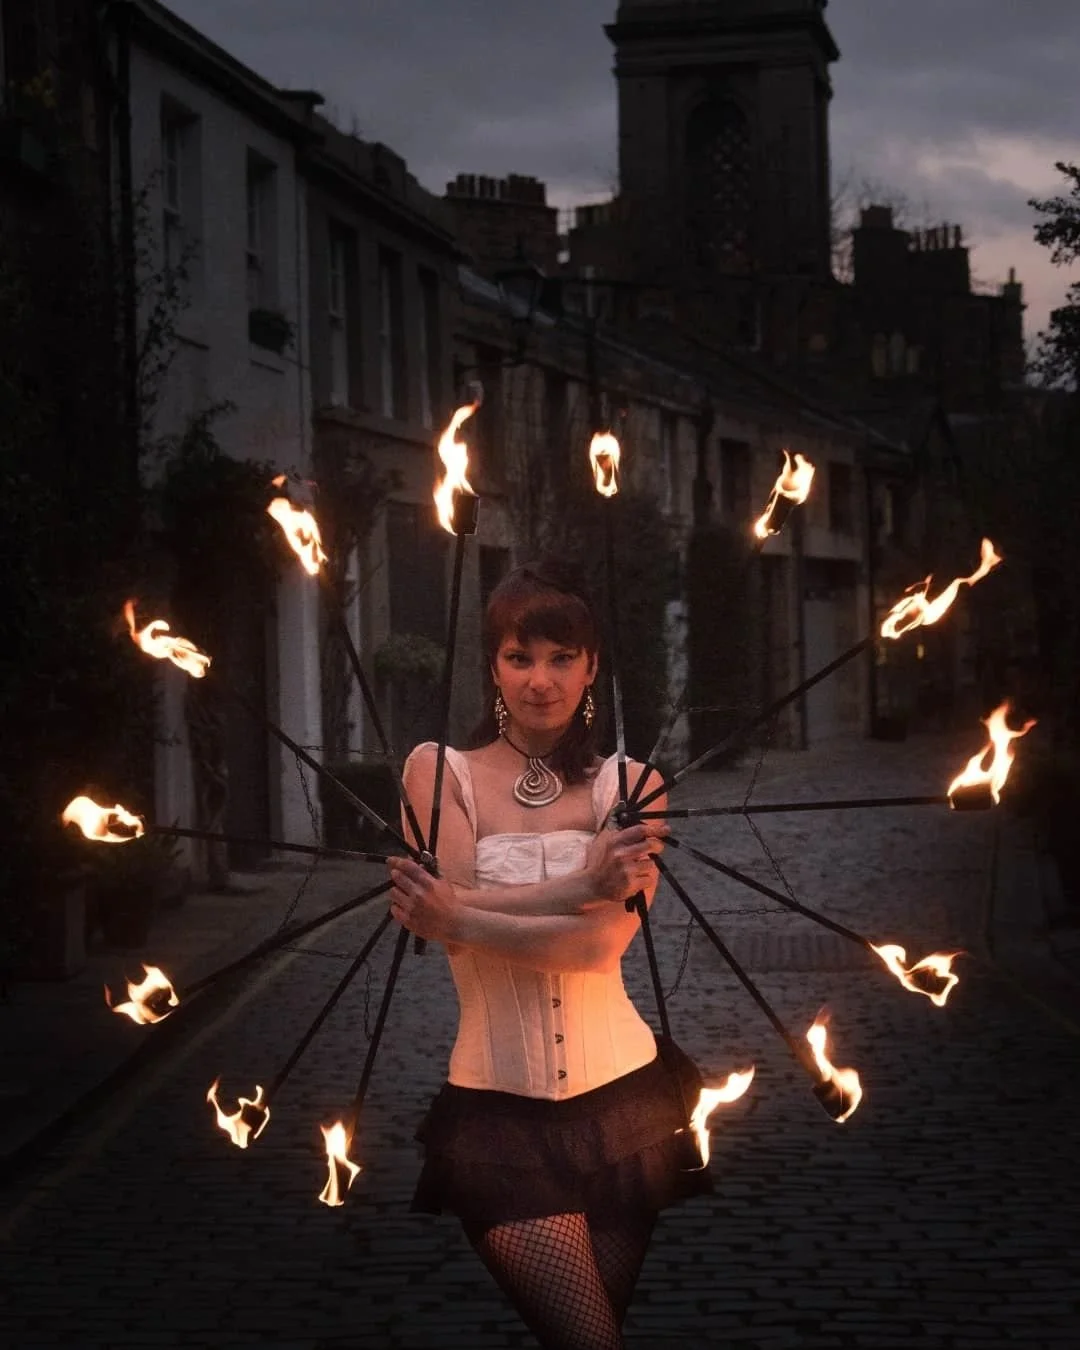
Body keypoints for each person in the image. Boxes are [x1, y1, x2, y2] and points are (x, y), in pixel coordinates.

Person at [387, 559, 711, 1350]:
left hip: (626, 1108)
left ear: (592, 665)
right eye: (519, 656)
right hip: (496, 1119)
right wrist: (585, 880)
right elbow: (441, 921)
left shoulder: (632, 787)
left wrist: (457, 911)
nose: (541, 680)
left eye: (563, 657)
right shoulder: (438, 777)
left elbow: (598, 944)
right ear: (492, 667)